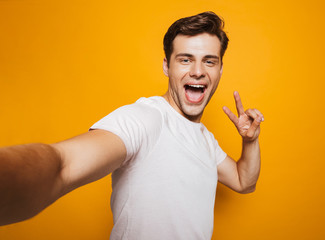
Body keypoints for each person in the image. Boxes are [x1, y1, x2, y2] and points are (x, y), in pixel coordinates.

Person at [0, 11, 264, 239]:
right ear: (166, 66)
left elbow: (244, 181)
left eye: (209, 60)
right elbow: (63, 165)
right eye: (185, 59)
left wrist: (250, 141)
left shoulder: (205, 139)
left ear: (219, 70)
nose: (197, 71)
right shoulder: (145, 118)